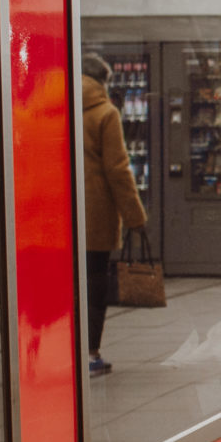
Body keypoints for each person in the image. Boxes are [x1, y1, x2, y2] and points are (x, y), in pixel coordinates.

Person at [79, 53, 148, 377]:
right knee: (94, 287)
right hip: (95, 220)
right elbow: (118, 170)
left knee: (66, 288)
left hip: (59, 220)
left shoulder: (57, 108)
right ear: (102, 82)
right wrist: (136, 217)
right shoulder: (106, 114)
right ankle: (90, 353)